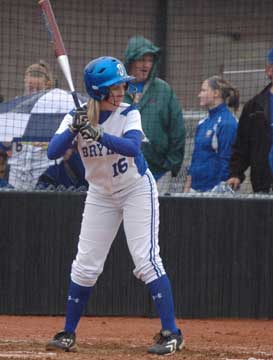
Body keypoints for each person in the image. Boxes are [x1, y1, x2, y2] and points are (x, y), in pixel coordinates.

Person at [45, 56, 184, 355]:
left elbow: (133, 147)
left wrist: (98, 134)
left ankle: (172, 333)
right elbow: (52, 152)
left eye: (122, 85)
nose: (121, 91)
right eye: (114, 87)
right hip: (100, 194)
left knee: (146, 259)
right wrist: (74, 129)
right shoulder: (76, 116)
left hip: (135, 188)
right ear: (98, 91)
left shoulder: (128, 112)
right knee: (85, 265)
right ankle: (67, 333)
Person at [123, 36, 185, 193]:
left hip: (158, 173)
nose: (146, 65)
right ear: (130, 61)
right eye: (141, 59)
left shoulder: (164, 90)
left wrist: (170, 166)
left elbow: (177, 131)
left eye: (150, 60)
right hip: (122, 173)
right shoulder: (117, 89)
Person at [7, 60, 78, 190]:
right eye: (30, 87)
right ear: (25, 82)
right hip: (17, 172)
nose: (34, 92)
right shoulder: (17, 105)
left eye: (38, 88)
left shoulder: (57, 105)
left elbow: (69, 140)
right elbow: (6, 141)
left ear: (47, 85)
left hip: (45, 171)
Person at [227, 48, 273, 193]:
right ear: (269, 70)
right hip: (263, 183)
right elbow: (242, 143)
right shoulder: (254, 106)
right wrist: (236, 173)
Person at [184, 76, 239, 193]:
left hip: (214, 191)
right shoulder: (203, 123)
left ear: (216, 93)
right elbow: (195, 157)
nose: (199, 95)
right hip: (195, 190)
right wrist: (187, 188)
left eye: (203, 90)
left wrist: (219, 189)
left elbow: (227, 159)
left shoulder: (227, 123)